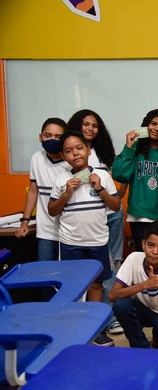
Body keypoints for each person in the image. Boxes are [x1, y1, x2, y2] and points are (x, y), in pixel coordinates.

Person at [48, 129, 121, 346]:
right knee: (72, 287)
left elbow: (116, 206)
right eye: (69, 151)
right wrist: (67, 193)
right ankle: (72, 329)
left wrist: (99, 188)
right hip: (71, 242)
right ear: (63, 155)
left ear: (88, 150)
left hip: (97, 241)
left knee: (97, 285)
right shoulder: (62, 179)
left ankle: (95, 330)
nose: (75, 154)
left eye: (79, 148)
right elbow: (52, 210)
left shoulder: (103, 175)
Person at [67, 109, 125, 338]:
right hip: (90, 219)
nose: (90, 129)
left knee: (113, 264)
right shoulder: (71, 154)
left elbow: (114, 178)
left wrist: (120, 194)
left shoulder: (103, 151)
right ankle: (88, 319)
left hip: (112, 213)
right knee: (94, 270)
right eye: (86, 124)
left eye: (95, 125)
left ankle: (108, 317)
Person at [109, 220, 158, 365]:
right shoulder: (133, 259)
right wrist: (144, 285)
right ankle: (141, 349)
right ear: (143, 244)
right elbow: (113, 296)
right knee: (121, 305)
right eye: (151, 245)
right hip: (143, 311)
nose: (155, 252)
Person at [112, 109, 158, 251]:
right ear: (146, 125)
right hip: (139, 215)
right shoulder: (135, 148)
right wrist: (128, 146)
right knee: (141, 257)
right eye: (153, 124)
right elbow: (120, 174)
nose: (156, 129)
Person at [15, 118, 71, 262]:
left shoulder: (72, 162)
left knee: (70, 274)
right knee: (44, 273)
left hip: (71, 230)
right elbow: (33, 191)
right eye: (48, 135)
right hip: (46, 229)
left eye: (58, 137)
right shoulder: (37, 158)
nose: (52, 140)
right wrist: (24, 222)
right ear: (40, 137)